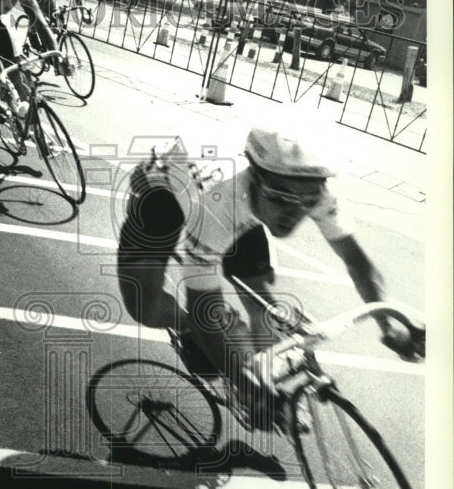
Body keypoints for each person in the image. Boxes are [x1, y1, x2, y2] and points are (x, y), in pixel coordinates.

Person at [117, 118, 424, 426]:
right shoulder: (218, 208)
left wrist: (389, 324)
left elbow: (357, 262)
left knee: (263, 306)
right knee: (147, 308)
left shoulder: (316, 191)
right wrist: (245, 383)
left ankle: (270, 376)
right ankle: (198, 329)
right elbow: (201, 310)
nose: (292, 213)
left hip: (243, 205)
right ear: (253, 178)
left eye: (307, 201)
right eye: (279, 197)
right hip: (159, 194)